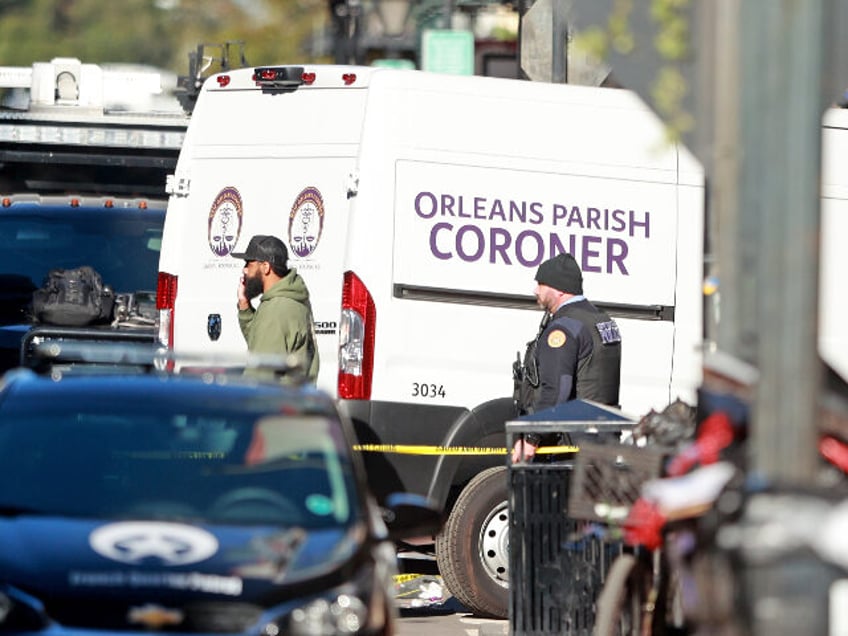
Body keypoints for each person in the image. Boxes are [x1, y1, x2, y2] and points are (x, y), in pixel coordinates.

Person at [511, 252, 621, 462]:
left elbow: (556, 390)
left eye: (541, 284)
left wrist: (532, 437)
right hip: (601, 440)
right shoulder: (602, 320)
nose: (535, 290)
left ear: (559, 289)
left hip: (570, 449)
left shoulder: (563, 330)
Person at [232, 234, 319, 382]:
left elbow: (259, 377)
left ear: (265, 267)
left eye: (249, 263)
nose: (245, 270)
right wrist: (244, 303)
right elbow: (261, 342)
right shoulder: (291, 298)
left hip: (276, 403)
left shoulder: (275, 311)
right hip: (294, 401)